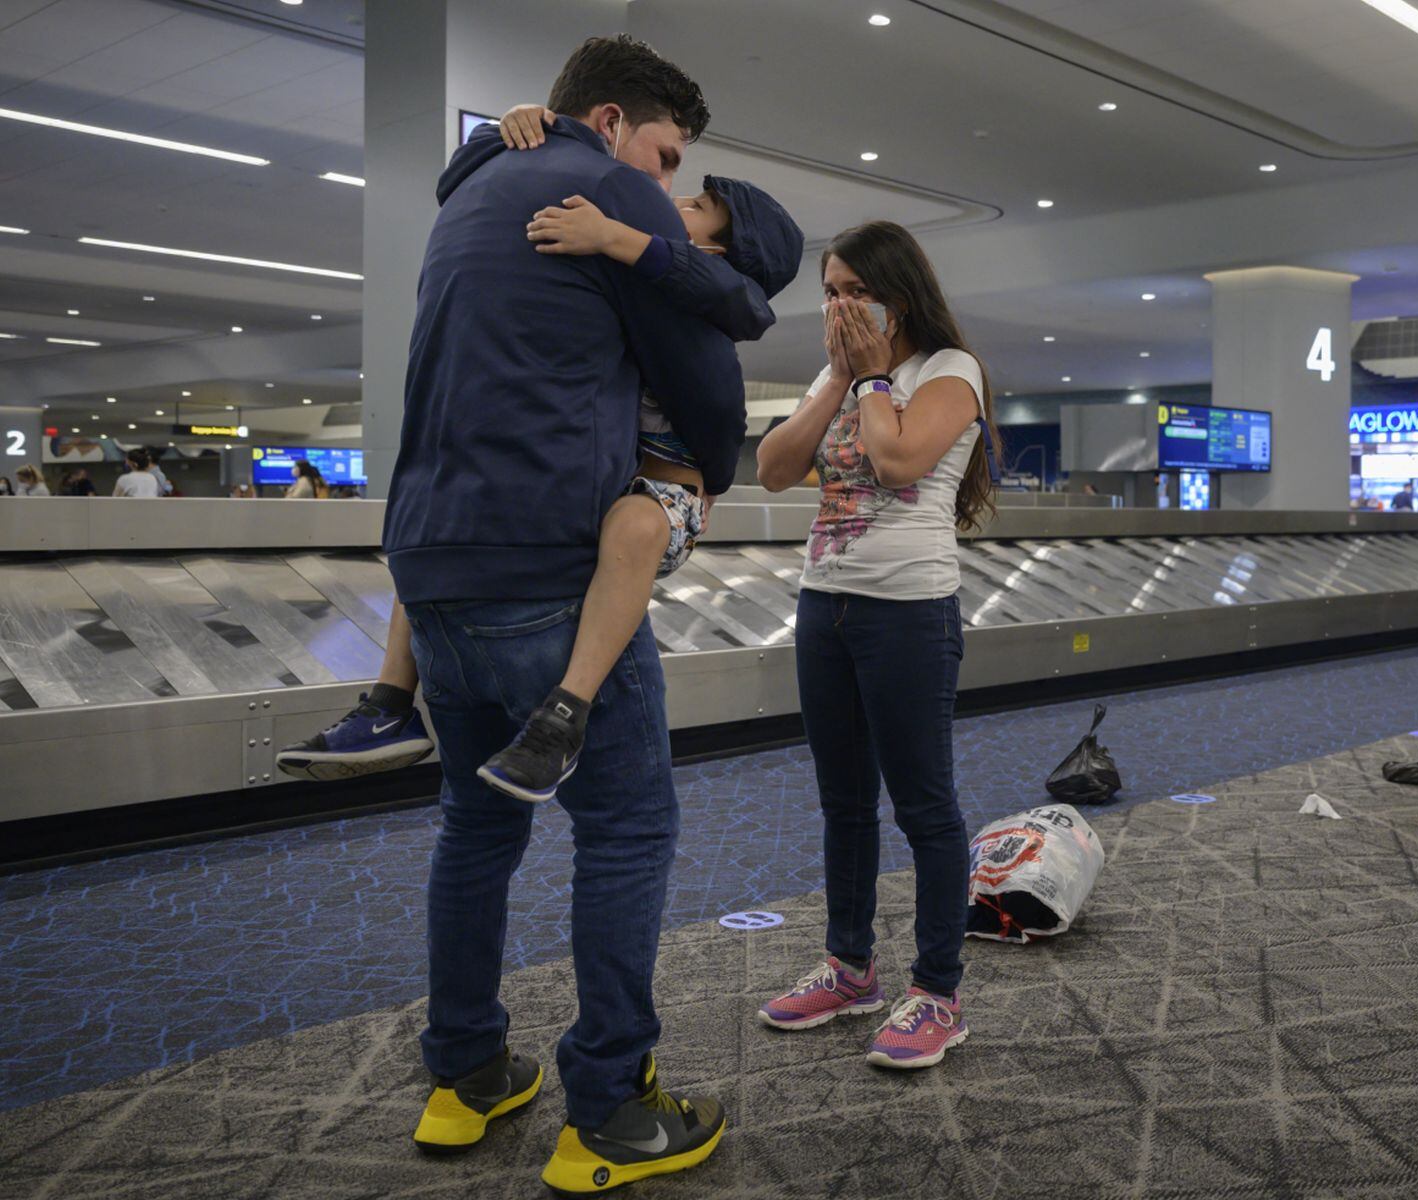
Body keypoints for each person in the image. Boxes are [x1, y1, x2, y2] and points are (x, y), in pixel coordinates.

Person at [377, 35, 746, 1196]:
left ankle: (465, 1075)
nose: (669, 185)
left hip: (429, 565)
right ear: (614, 122)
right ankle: (613, 1108)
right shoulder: (611, 191)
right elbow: (705, 374)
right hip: (546, 565)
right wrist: (706, 474)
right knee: (626, 830)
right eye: (666, 154)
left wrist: (504, 129)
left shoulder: (470, 187)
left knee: (475, 828)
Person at [277, 105, 802, 806]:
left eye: (696, 206)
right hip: (585, 492)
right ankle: (390, 700)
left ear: (719, 251)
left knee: (633, 527)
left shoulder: (699, 299)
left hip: (664, 497)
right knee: (442, 509)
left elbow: (742, 320)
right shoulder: (639, 278)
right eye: (676, 176)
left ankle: (566, 712)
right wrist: (519, 124)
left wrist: (613, 233)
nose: (673, 197)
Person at [753, 220, 1002, 1071]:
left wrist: (866, 378)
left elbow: (896, 463)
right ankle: (850, 968)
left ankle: (937, 992)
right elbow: (774, 468)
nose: (842, 306)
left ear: (899, 295)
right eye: (831, 292)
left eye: (858, 291)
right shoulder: (836, 377)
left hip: (909, 611)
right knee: (845, 802)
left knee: (924, 806)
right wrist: (839, 378)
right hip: (824, 606)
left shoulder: (949, 371)